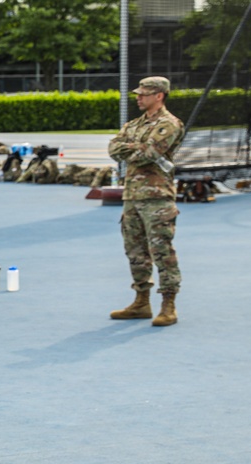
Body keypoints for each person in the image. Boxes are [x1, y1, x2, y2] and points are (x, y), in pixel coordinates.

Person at [108, 76, 184, 327]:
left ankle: (168, 304)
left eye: (144, 93)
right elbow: (113, 148)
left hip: (157, 198)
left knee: (162, 252)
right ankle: (141, 301)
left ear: (159, 95)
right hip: (132, 196)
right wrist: (135, 147)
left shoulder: (170, 124)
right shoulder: (135, 124)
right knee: (135, 252)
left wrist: (131, 148)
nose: (139, 97)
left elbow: (150, 153)